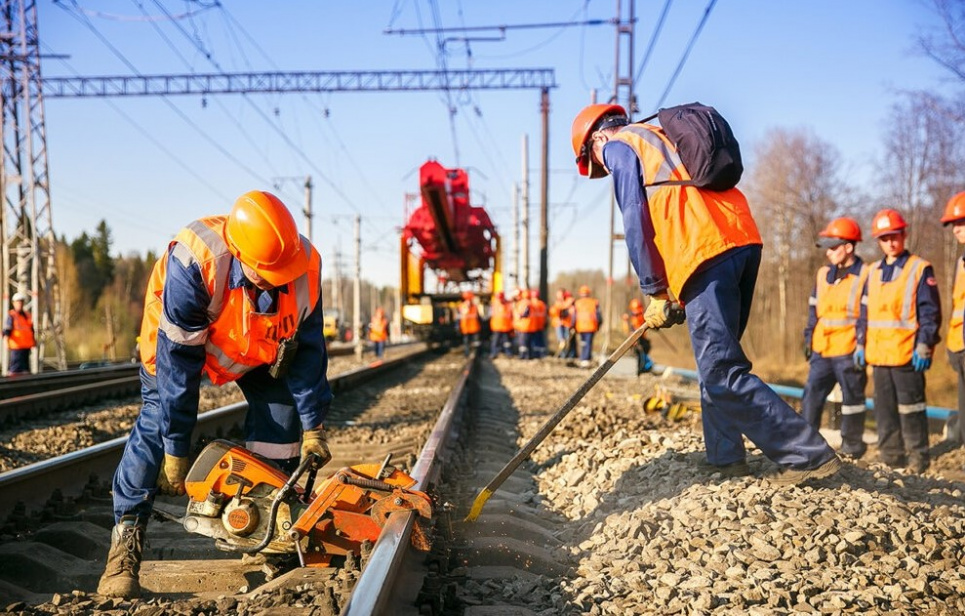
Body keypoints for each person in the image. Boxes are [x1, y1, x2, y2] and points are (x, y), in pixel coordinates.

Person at [571, 103, 840, 483]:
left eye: (596, 161)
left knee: (720, 369)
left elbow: (636, 217)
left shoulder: (619, 145)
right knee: (715, 359)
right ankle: (725, 455)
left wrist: (655, 290)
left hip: (704, 252)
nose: (604, 165)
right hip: (739, 239)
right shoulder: (663, 136)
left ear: (597, 138)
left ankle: (808, 455)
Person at [97, 191, 333, 599]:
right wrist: (176, 447)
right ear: (239, 251)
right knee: (157, 423)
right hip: (176, 348)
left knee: (281, 422)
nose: (276, 280)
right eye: (264, 272)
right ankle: (124, 546)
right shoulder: (196, 260)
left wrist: (314, 425)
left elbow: (309, 353)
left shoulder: (304, 267)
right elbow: (180, 366)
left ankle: (265, 534)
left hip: (255, 350)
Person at [856, 208, 941, 473]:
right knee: (884, 411)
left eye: (895, 236)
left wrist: (925, 344)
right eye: (884, 238)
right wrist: (860, 343)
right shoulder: (871, 272)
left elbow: (930, 312)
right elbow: (864, 312)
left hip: (906, 354)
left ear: (903, 235)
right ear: (878, 241)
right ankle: (891, 457)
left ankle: (918, 458)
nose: (890, 242)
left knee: (912, 408)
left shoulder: (919, 268)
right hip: (879, 356)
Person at [801, 217, 870, 459]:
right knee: (811, 397)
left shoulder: (865, 275)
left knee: (852, 400)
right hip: (822, 348)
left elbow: (866, 314)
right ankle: (807, 446)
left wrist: (862, 345)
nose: (828, 252)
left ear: (849, 247)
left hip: (849, 349)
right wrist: (808, 337)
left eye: (833, 247)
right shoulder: (822, 274)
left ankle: (852, 447)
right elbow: (813, 309)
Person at [942, 192, 965, 447]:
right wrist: (953, 345)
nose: (956, 230)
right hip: (960, 348)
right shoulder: (961, 262)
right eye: (954, 224)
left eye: (962, 223)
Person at [3, 292, 35, 375]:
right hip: (16, 347)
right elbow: (7, 331)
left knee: (25, 370)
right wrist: (5, 342)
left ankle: (25, 385)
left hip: (26, 346)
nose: (19, 304)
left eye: (21, 302)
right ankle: (13, 385)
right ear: (13, 303)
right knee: (15, 369)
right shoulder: (12, 316)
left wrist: (34, 341)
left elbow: (31, 330)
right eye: (18, 302)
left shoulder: (27, 315)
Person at [622, 297, 653, 375]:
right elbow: (628, 329)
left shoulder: (642, 316)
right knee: (637, 354)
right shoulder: (629, 318)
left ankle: (642, 368)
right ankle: (638, 370)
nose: (636, 314)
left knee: (643, 352)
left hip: (641, 338)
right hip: (634, 338)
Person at [573, 285, 601, 368]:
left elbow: (574, 316)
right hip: (591, 326)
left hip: (580, 327)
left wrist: (572, 325)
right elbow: (599, 316)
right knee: (588, 343)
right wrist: (599, 325)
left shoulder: (577, 303)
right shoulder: (594, 302)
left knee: (583, 343)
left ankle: (584, 358)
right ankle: (585, 359)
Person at [550, 289, 576, 358]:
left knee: (566, 340)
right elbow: (556, 310)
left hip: (566, 324)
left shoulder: (568, 302)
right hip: (559, 324)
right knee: (561, 340)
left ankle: (565, 355)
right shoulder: (558, 303)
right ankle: (563, 355)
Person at [489, 291, 514, 359]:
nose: (500, 300)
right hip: (497, 327)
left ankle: (508, 353)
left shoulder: (508, 304)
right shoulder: (494, 304)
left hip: (506, 327)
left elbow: (511, 315)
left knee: (507, 342)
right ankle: (494, 353)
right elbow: (491, 315)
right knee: (495, 341)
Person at [457, 290, 480, 357]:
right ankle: (470, 353)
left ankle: (471, 353)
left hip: (470, 327)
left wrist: (458, 326)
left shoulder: (462, 306)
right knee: (470, 342)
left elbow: (458, 318)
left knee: (472, 342)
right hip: (470, 327)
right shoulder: (464, 306)